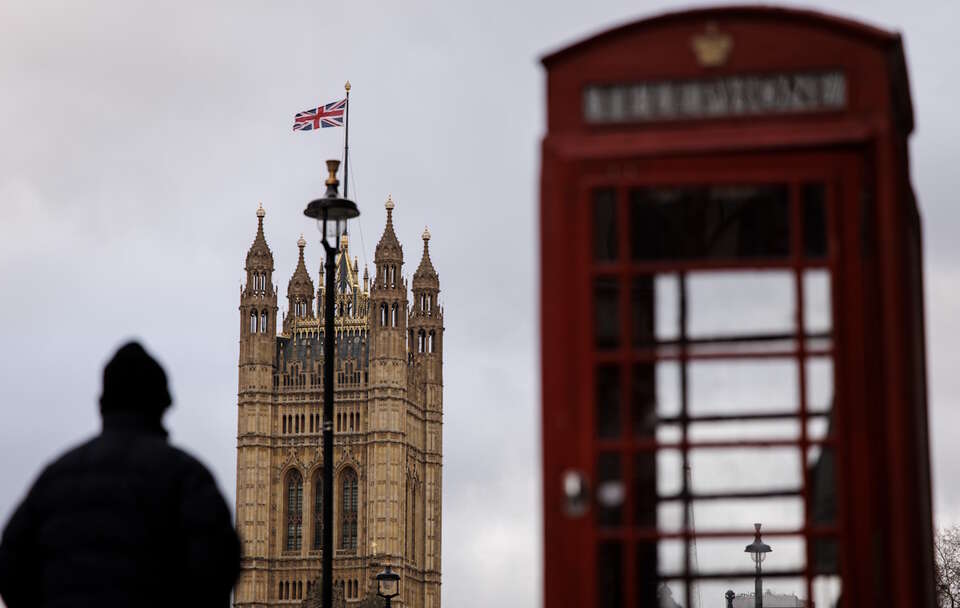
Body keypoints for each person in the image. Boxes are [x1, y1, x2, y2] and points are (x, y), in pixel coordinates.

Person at [0, 341, 240, 607]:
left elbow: (11, 566)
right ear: (162, 404)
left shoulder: (55, 477)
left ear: (102, 403)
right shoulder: (186, 476)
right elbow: (219, 563)